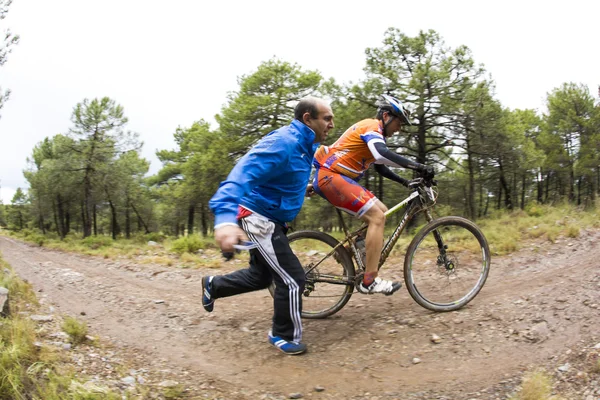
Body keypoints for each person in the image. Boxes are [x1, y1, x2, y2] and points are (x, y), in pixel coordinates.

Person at [203, 97, 335, 355]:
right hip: (259, 218)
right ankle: (283, 335)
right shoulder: (284, 141)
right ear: (308, 118)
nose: (331, 124)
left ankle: (213, 285)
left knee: (261, 275)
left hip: (272, 218)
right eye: (327, 118)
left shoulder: (305, 144)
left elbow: (283, 175)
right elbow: (242, 173)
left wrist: (301, 190)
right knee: (294, 278)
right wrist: (225, 220)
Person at [312, 94, 434, 295]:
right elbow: (381, 154)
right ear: (386, 116)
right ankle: (369, 281)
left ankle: (351, 251)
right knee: (376, 218)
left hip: (334, 177)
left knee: (382, 212)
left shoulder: (374, 133)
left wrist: (405, 181)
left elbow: (380, 167)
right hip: (332, 177)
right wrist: (420, 167)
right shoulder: (372, 127)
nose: (399, 129)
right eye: (399, 123)